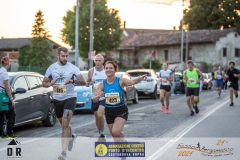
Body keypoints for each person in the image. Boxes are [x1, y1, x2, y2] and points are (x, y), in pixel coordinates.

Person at [42, 47, 85, 160]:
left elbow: (83, 82)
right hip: (57, 99)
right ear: (58, 55)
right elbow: (44, 83)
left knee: (65, 125)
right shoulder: (52, 68)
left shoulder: (73, 68)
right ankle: (71, 137)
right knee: (64, 125)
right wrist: (50, 83)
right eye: (63, 56)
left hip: (70, 98)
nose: (65, 58)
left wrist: (72, 81)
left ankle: (63, 152)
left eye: (67, 56)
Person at [94, 61, 146, 139]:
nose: (108, 70)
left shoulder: (121, 80)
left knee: (116, 132)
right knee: (114, 135)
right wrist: (98, 97)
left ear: (115, 70)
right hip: (109, 112)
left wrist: (140, 78)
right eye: (106, 68)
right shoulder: (102, 84)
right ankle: (122, 149)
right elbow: (94, 99)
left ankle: (125, 148)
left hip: (121, 111)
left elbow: (131, 82)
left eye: (111, 68)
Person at [86, 54, 107, 138]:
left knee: (100, 114)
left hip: (104, 96)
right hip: (95, 97)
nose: (98, 62)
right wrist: (87, 83)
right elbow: (88, 81)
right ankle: (100, 131)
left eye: (99, 60)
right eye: (96, 60)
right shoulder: (91, 71)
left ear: (103, 61)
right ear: (94, 61)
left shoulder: (106, 70)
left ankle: (102, 132)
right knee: (96, 116)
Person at [0, 56, 15, 137]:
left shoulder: (0, 71)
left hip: (0, 95)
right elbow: (7, 86)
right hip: (4, 96)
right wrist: (11, 98)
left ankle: (1, 134)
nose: (10, 63)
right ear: (5, 62)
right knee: (12, 114)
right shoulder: (4, 72)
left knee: (1, 115)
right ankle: (9, 133)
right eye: (9, 61)